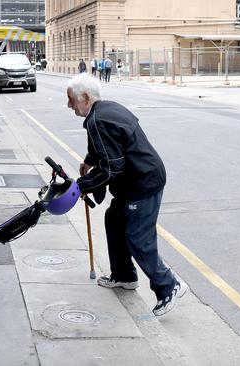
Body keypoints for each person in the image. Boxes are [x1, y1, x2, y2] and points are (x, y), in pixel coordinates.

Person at [65, 73, 187, 316]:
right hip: (137, 179)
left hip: (142, 182)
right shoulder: (105, 110)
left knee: (137, 235)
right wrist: (89, 161)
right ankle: (124, 275)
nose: (69, 105)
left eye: (71, 100)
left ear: (86, 97)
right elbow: (108, 144)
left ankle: (168, 285)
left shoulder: (97, 120)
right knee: (114, 220)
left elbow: (113, 167)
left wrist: (82, 185)